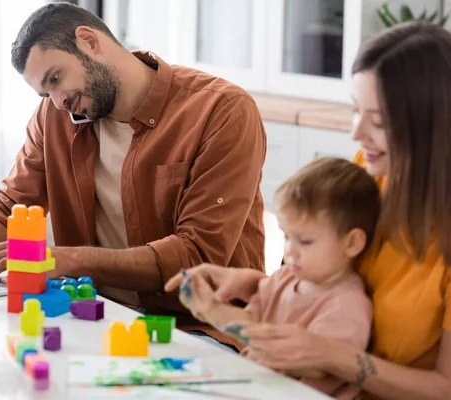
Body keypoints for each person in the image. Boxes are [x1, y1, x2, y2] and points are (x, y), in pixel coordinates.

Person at [166, 21, 451, 400]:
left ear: (432, 128)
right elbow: (329, 278)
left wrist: (334, 356)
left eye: (379, 122)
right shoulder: (369, 173)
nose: (357, 134)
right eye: (355, 111)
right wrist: (250, 282)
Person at [0, 3, 267, 349]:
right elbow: (10, 205)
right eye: (45, 92)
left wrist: (66, 259)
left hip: (195, 327)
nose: (58, 100)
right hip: (96, 314)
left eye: (56, 79)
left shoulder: (220, 110)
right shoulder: (54, 115)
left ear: (89, 41)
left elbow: (196, 255)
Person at [178, 157, 379, 398]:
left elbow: (313, 365)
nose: (290, 251)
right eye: (286, 236)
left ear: (352, 243)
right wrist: (208, 303)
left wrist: (215, 312)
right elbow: (250, 320)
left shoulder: (347, 306)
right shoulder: (285, 278)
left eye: (305, 241)